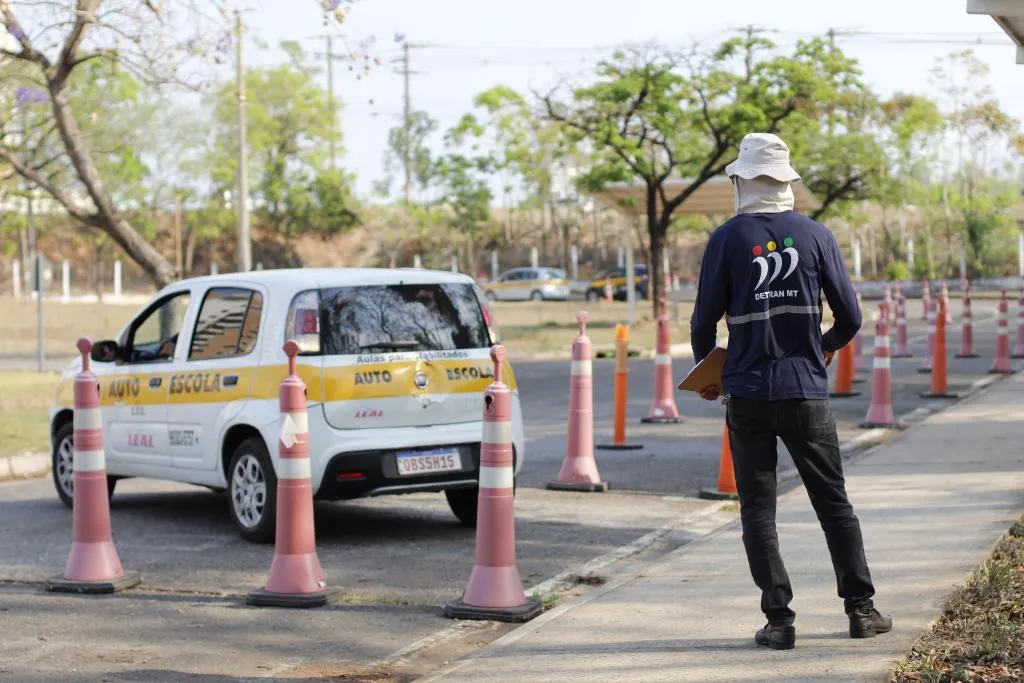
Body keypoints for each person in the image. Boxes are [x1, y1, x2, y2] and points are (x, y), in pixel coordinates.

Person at [689, 132, 892, 651]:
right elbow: (850, 318)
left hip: (748, 396)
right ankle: (862, 611)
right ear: (786, 183)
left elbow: (702, 324)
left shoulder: (726, 240)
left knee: (758, 510)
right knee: (833, 502)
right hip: (806, 393)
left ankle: (779, 622)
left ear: (741, 181)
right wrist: (820, 346)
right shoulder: (816, 235)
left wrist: (709, 374)